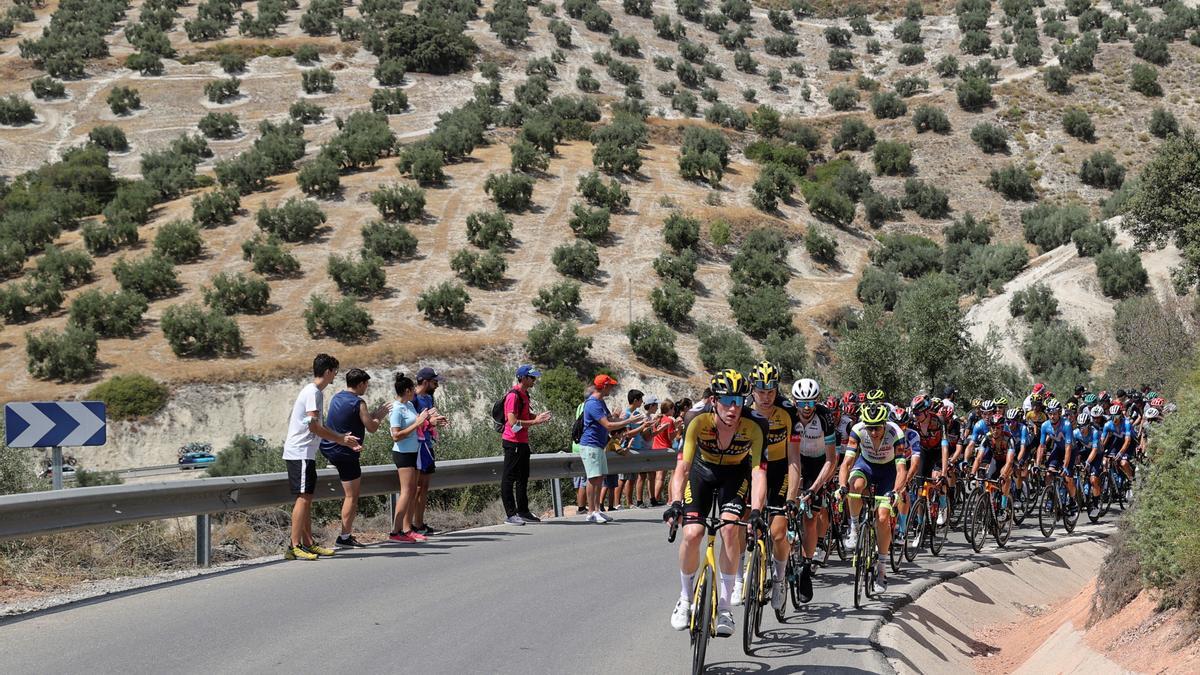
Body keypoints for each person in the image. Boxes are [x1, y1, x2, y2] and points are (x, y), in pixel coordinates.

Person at [663, 370, 767, 638]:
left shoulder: (756, 425)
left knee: (731, 528)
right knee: (693, 532)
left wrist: (756, 510)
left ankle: (724, 607)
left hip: (735, 476)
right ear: (713, 400)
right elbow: (682, 467)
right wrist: (675, 502)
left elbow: (758, 473)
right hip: (702, 472)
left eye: (739, 400)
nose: (733, 407)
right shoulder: (695, 419)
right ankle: (685, 599)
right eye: (727, 399)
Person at [283, 354, 361, 561]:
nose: (336, 375)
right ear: (327, 371)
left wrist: (338, 438)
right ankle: (294, 545)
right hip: (299, 452)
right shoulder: (313, 392)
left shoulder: (314, 392)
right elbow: (314, 426)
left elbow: (317, 426)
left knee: (306, 499)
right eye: (335, 371)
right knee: (303, 498)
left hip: (305, 453)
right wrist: (340, 439)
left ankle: (308, 543)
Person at [319, 368, 393, 548]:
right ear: (360, 384)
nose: (366, 388)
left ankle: (345, 536)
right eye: (366, 384)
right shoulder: (359, 403)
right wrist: (380, 416)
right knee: (352, 496)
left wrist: (373, 414)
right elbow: (372, 427)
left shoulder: (337, 397)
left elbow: (359, 420)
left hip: (328, 448)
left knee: (350, 493)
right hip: (344, 453)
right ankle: (344, 537)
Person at [838, 403, 905, 595]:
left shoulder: (896, 433)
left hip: (888, 471)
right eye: (870, 427)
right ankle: (854, 528)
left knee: (883, 518)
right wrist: (842, 486)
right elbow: (847, 463)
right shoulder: (858, 430)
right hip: (866, 465)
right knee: (855, 486)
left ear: (885, 423)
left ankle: (882, 570)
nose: (874, 432)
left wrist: (895, 491)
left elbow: (901, 469)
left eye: (878, 427)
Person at [788, 377, 837, 605]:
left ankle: (806, 567)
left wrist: (814, 488)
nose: (806, 407)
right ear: (795, 401)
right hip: (795, 461)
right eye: (801, 402)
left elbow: (831, 459)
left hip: (819, 465)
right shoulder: (789, 415)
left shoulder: (825, 416)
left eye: (811, 402)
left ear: (816, 401)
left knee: (810, 519)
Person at [578, 375, 644, 523]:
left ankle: (597, 510)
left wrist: (630, 420)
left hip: (598, 445)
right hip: (590, 445)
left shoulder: (600, 402)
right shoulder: (593, 403)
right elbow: (607, 425)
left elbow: (612, 420)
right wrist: (629, 420)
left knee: (599, 477)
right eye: (611, 386)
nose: (612, 388)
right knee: (593, 478)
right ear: (604, 386)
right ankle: (591, 512)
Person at [502, 365, 553, 526]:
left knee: (523, 478)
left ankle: (523, 511)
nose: (534, 380)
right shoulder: (513, 396)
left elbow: (524, 416)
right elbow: (512, 422)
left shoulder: (525, 395)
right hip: (512, 442)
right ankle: (511, 514)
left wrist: (537, 417)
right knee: (509, 478)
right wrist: (535, 421)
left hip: (523, 442)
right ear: (523, 378)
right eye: (532, 377)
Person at [390, 373, 433, 543]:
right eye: (412, 389)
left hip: (413, 452)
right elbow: (395, 435)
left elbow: (417, 423)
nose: (415, 391)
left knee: (412, 490)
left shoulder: (409, 405)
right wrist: (417, 423)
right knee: (407, 492)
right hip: (403, 453)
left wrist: (428, 419)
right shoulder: (396, 409)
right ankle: (395, 531)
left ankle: (406, 529)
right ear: (407, 390)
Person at [411, 367, 448, 536]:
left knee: (423, 486)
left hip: (427, 445)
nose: (437, 385)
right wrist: (430, 422)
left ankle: (419, 523)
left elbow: (429, 420)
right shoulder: (413, 398)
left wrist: (436, 421)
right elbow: (412, 423)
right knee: (417, 487)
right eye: (435, 382)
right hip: (418, 446)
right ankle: (410, 524)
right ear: (425, 382)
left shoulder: (429, 398)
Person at [650, 399, 677, 506]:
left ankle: (655, 498)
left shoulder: (658, 419)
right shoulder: (669, 421)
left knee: (655, 476)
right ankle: (655, 498)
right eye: (673, 408)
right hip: (664, 448)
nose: (674, 411)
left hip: (654, 447)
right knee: (661, 477)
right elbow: (671, 437)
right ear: (670, 409)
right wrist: (678, 429)